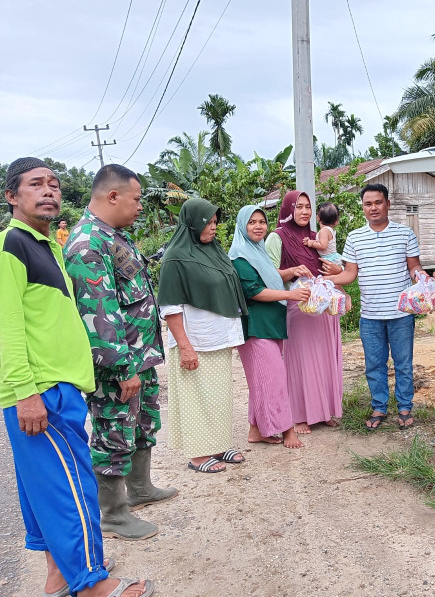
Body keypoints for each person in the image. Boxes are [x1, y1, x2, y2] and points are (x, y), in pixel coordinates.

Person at [0, 157, 154, 597]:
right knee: (73, 490)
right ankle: (91, 584)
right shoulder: (12, 244)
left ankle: (58, 574)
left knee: (46, 493)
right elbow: (6, 324)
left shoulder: (45, 245)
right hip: (42, 390)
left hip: (61, 386)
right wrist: (26, 393)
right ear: (12, 196)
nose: (49, 191)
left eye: (54, 183)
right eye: (35, 185)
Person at [63, 163, 177, 541]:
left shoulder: (114, 235)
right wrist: (120, 368)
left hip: (138, 358)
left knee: (143, 423)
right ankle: (113, 514)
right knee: (113, 432)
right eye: (137, 198)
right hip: (118, 365)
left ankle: (141, 489)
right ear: (113, 196)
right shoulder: (87, 244)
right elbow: (99, 315)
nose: (141, 205)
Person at [158, 198, 249, 473]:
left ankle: (219, 445)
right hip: (194, 341)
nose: (214, 227)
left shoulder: (213, 250)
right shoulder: (175, 258)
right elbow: (171, 307)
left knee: (219, 396)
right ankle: (198, 455)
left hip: (218, 340)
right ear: (193, 222)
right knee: (196, 398)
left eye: (215, 222)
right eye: (208, 222)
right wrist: (185, 347)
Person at [326, 183, 424, 431]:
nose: (373, 208)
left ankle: (404, 407)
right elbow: (349, 274)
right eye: (368, 204)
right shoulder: (355, 237)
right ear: (363, 207)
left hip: (401, 314)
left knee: (403, 363)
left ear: (388, 204)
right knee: (374, 364)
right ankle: (379, 406)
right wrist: (325, 280)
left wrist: (422, 277)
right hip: (369, 315)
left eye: (378, 202)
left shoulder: (405, 234)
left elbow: (414, 267)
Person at [230, 205, 311, 449]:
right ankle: (286, 430)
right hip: (256, 327)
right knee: (275, 380)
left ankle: (256, 430)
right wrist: (292, 295)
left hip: (271, 324)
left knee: (261, 380)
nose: (258, 226)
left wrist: (290, 272)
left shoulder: (258, 251)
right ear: (242, 226)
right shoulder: (239, 255)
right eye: (252, 222)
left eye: (262, 222)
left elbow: (268, 275)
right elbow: (254, 290)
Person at [265, 190, 343, 434]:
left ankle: (323, 411)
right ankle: (299, 415)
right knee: (301, 361)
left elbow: (330, 266)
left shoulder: (315, 237)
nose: (304, 212)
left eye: (308, 207)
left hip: (323, 305)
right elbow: (268, 273)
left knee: (325, 358)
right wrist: (292, 272)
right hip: (298, 304)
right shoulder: (277, 237)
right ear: (289, 208)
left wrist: (336, 269)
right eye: (298, 207)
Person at [303, 201, 343, 266]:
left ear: (318, 218)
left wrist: (310, 243)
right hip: (333, 258)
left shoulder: (324, 231)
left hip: (329, 259)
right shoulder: (330, 230)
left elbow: (323, 246)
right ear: (336, 222)